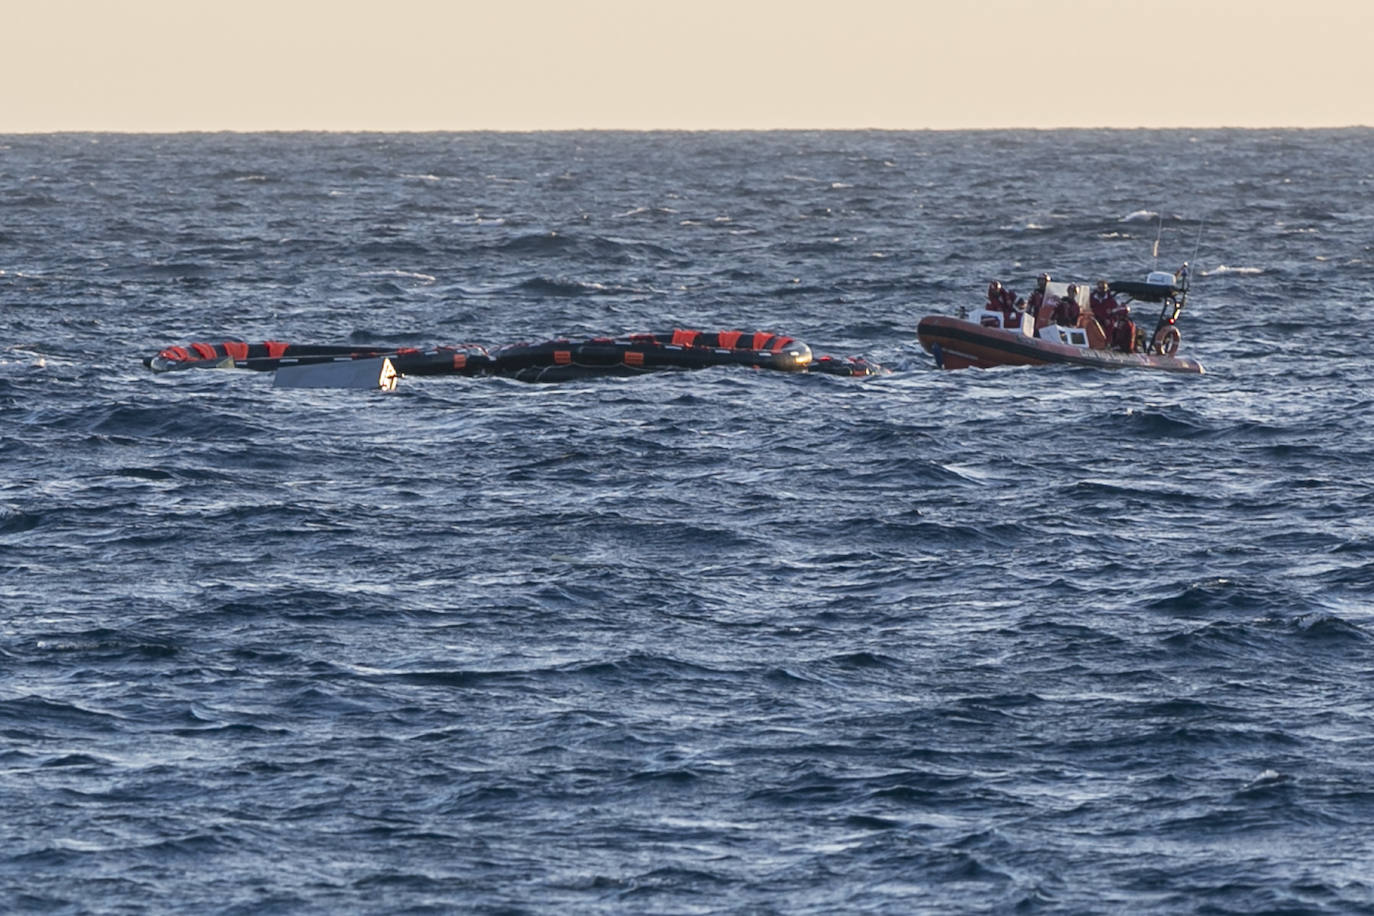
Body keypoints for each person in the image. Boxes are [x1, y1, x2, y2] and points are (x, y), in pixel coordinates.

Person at [1090, 279, 1135, 351]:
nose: (1101, 290)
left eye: (1103, 288)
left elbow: (1114, 314)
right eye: (1099, 288)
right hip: (1092, 321)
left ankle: (1106, 344)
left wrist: (1109, 320)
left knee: (1110, 327)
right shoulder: (1091, 298)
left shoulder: (1111, 302)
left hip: (1106, 325)